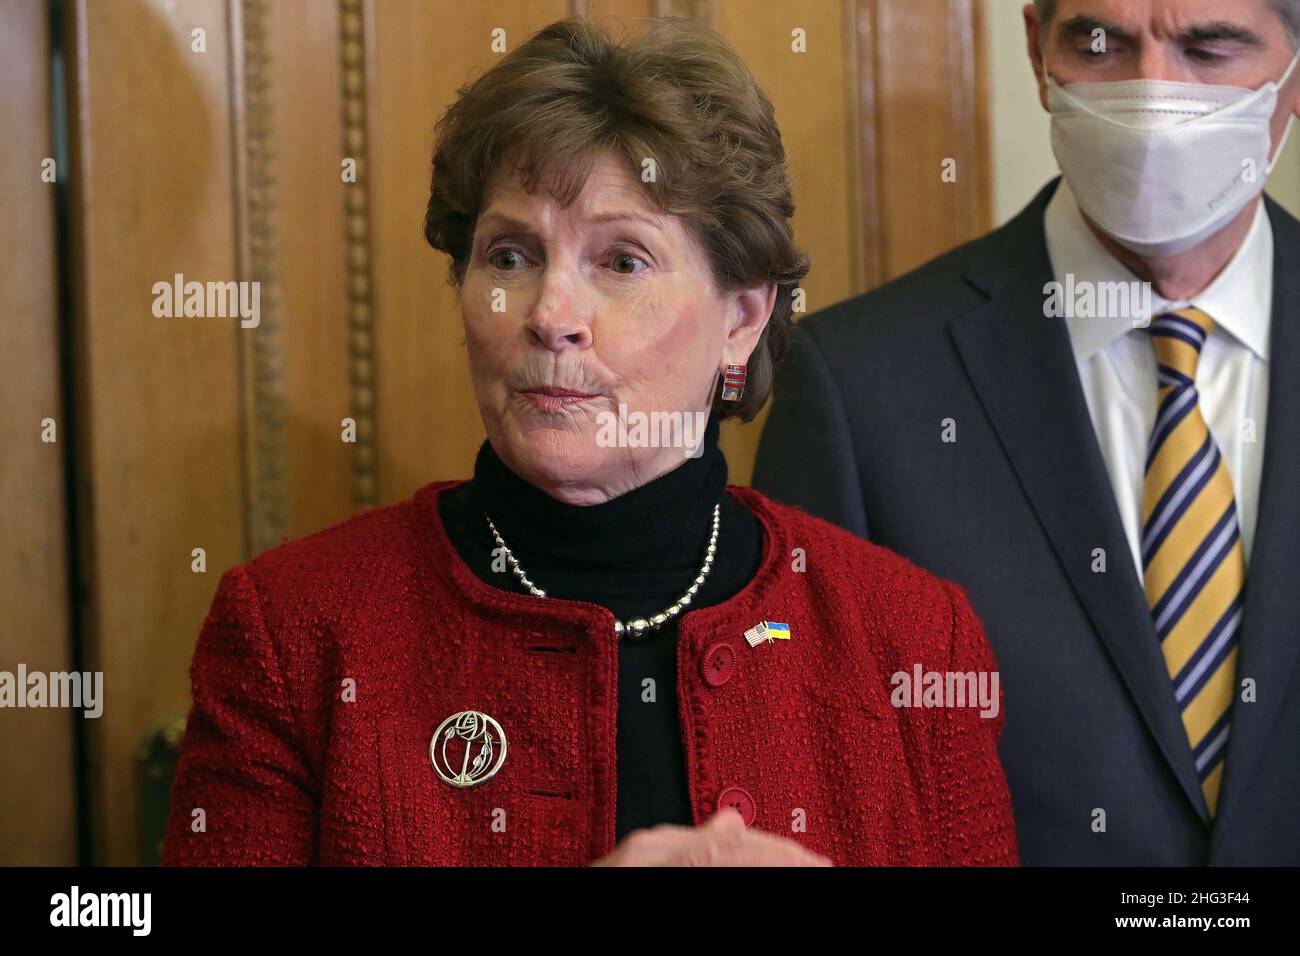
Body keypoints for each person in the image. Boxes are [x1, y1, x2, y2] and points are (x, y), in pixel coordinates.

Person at [159, 17, 1017, 867]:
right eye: (509, 256)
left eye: (622, 261)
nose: (548, 315)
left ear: (743, 320)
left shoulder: (912, 638)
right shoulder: (294, 634)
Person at [755, 0, 1300, 865]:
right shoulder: (861, 383)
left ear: (1294, 69)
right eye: (1101, 43)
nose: (1153, 99)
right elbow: (806, 771)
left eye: (1208, 48)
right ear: (1035, 53)